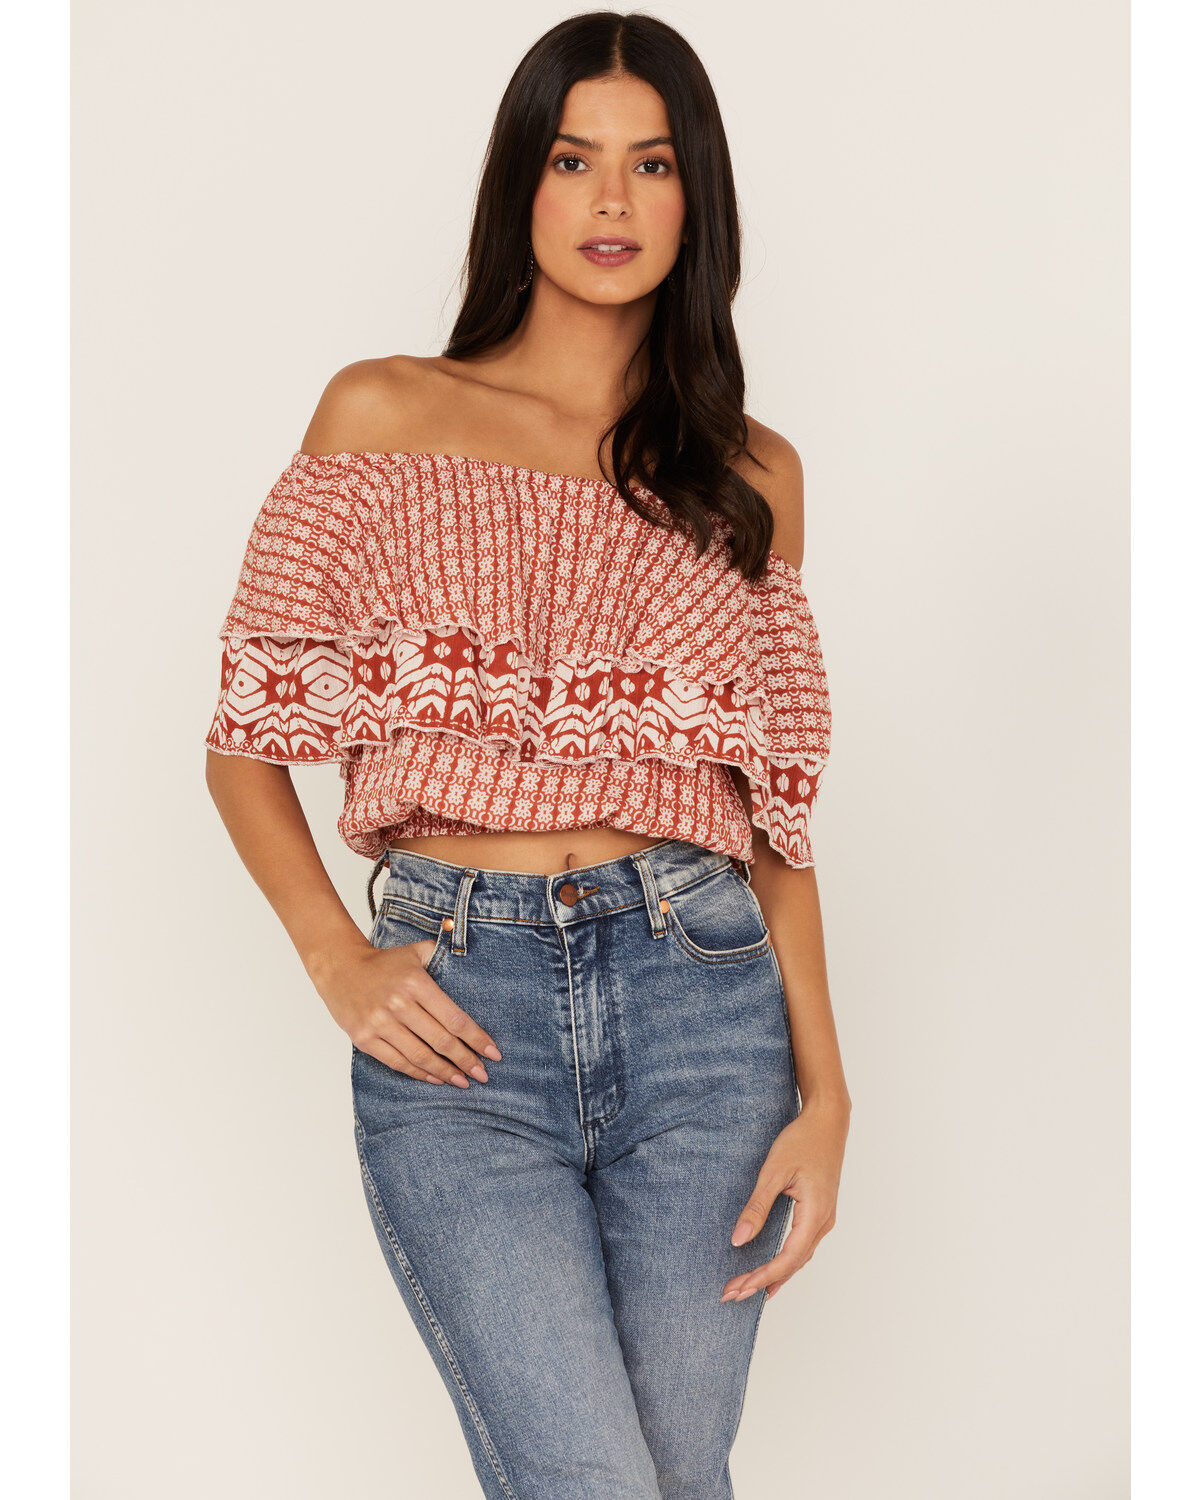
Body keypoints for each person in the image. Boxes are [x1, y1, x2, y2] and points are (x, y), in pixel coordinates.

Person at [204, 11, 851, 1498]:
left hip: (702, 1006)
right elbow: (246, 744)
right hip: (462, 1009)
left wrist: (829, 1098)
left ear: (696, 198)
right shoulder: (384, 416)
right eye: (574, 160)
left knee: (678, 1478)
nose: (612, 201)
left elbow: (777, 823)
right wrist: (336, 957)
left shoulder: (752, 473)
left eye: (652, 165)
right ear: (522, 184)